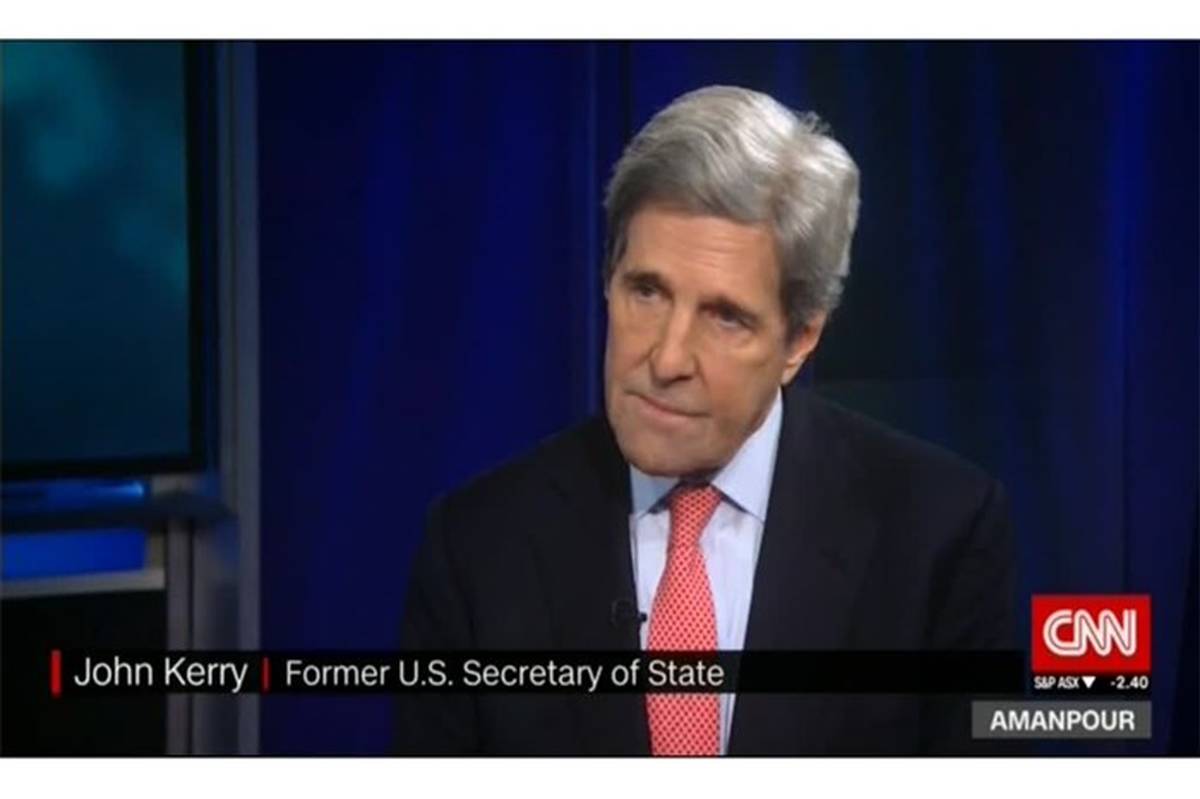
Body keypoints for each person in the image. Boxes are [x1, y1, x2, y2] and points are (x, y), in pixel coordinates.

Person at [395, 85, 1016, 755]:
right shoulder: (478, 547)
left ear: (800, 340)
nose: (667, 359)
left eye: (725, 317)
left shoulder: (938, 535)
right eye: (647, 291)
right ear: (608, 279)